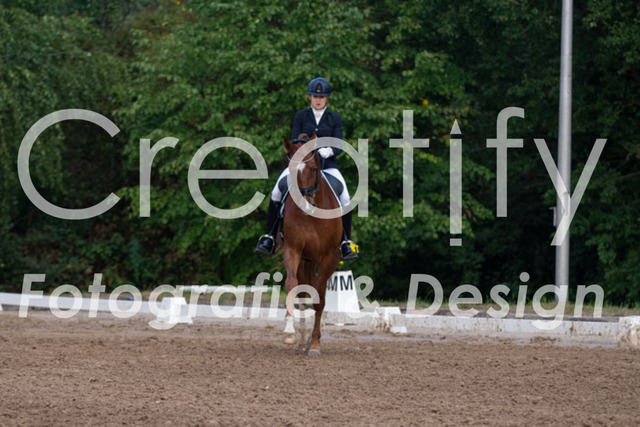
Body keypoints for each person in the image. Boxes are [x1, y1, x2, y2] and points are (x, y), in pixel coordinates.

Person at [255, 77, 358, 260]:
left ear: (327, 98)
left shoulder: (334, 118)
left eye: (321, 97)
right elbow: (295, 141)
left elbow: (339, 144)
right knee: (276, 191)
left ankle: (345, 242)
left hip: (328, 166)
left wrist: (330, 150)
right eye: (315, 96)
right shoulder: (301, 116)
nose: (318, 100)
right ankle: (269, 237)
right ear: (310, 97)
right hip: (303, 165)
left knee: (345, 197)